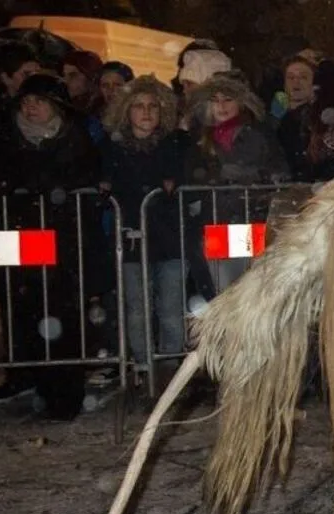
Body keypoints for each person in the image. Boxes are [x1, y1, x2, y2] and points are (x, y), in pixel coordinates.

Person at [0, 73, 104, 420]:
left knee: (65, 319)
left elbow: (83, 176)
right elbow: (2, 177)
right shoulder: (9, 140)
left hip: (66, 243)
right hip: (24, 241)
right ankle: (42, 387)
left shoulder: (75, 138)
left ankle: (66, 394)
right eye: (26, 102)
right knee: (29, 316)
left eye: (38, 101)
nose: (31, 108)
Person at [99, 75, 189, 382]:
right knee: (136, 308)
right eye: (138, 106)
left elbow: (181, 178)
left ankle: (169, 366)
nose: (146, 112)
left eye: (152, 106)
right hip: (132, 240)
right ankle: (142, 366)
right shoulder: (113, 149)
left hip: (169, 239)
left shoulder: (175, 144)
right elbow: (106, 183)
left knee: (171, 307)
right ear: (126, 111)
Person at [183, 70, 289, 295]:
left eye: (228, 99)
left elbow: (278, 170)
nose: (221, 106)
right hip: (217, 221)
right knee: (224, 290)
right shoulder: (200, 137)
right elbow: (192, 173)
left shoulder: (260, 133)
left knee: (250, 289)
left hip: (250, 219)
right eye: (215, 100)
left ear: (241, 102)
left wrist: (244, 177)